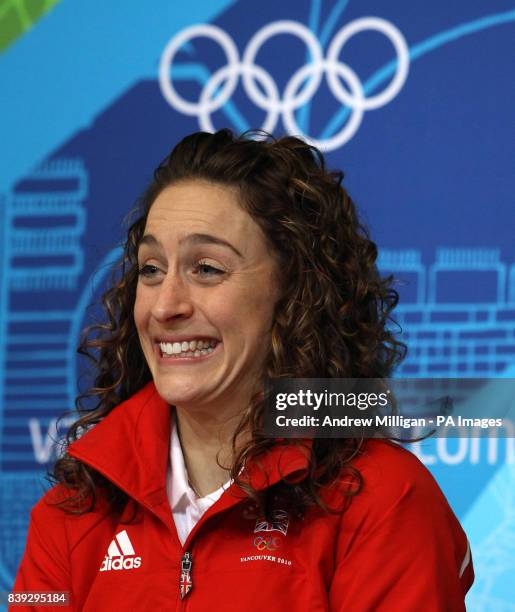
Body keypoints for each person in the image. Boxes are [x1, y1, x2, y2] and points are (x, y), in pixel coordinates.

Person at [11, 129, 473, 611]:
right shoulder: (72, 511)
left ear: (294, 292)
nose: (165, 305)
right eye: (151, 269)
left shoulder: (384, 499)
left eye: (206, 268)